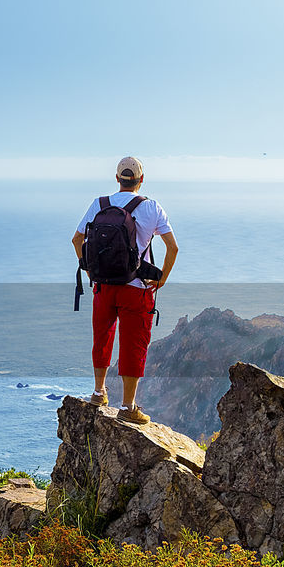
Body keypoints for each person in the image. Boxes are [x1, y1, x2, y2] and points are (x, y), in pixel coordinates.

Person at [71, 156, 178, 424]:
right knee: (133, 344)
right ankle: (128, 407)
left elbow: (77, 239)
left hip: (103, 286)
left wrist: (89, 269)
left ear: (117, 178)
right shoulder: (152, 207)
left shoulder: (100, 204)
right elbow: (172, 247)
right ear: (141, 180)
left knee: (102, 337)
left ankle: (98, 392)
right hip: (137, 287)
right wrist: (162, 277)